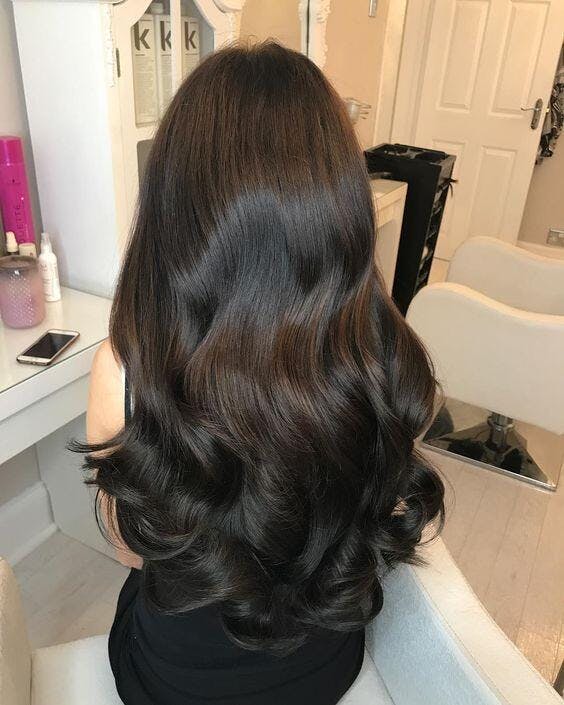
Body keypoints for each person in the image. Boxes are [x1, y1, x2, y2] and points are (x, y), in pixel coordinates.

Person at [80, 41, 444, 705]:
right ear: (337, 205)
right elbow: (377, 515)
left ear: (174, 213)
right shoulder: (384, 353)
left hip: (177, 686)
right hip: (324, 670)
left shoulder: (126, 370)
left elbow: (134, 551)